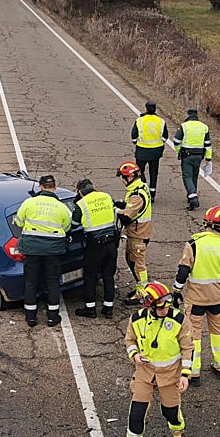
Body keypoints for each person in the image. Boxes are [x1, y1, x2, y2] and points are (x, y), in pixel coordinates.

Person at [118, 282, 194, 437]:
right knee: (136, 415)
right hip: (144, 374)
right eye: (161, 307)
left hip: (170, 376)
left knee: (170, 412)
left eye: (167, 304)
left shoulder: (179, 320)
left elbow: (188, 347)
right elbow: (129, 341)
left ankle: (178, 430)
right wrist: (134, 355)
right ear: (149, 307)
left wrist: (185, 374)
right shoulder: (136, 320)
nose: (165, 309)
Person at [174, 206, 220, 384]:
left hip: (196, 300)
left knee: (194, 336)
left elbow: (183, 270)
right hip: (217, 298)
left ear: (206, 223)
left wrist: (176, 290)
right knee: (218, 333)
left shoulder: (194, 244)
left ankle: (194, 373)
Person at [12, 175, 72, 327]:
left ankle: (31, 317)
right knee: (52, 282)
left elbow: (18, 222)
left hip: (32, 249)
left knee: (31, 282)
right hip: (53, 250)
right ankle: (52, 317)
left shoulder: (29, 202)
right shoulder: (61, 207)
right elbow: (66, 227)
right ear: (55, 187)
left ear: (40, 186)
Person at [72, 178, 119, 319]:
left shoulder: (81, 204)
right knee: (108, 276)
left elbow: (74, 224)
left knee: (90, 277)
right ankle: (108, 308)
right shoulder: (106, 197)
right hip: (111, 244)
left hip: (95, 246)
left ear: (80, 192)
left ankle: (90, 309)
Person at [114, 162, 153, 305]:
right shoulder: (139, 188)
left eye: (122, 178)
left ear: (129, 177)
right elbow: (131, 207)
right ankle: (139, 289)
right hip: (136, 233)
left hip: (139, 235)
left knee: (138, 264)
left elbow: (126, 217)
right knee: (131, 261)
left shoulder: (137, 195)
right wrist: (120, 205)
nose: (122, 181)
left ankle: (142, 293)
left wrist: (115, 210)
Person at [172, 107, 212, 210]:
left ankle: (193, 198)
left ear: (188, 114)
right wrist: (208, 158)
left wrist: (179, 151)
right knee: (194, 175)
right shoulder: (204, 127)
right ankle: (192, 194)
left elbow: (176, 141)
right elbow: (207, 144)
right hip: (199, 156)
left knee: (187, 176)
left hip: (187, 155)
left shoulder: (184, 126)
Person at [131, 100, 168, 199]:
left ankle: (143, 188)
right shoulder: (161, 121)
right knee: (153, 172)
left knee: (139, 171)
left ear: (146, 109)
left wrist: (136, 142)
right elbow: (165, 137)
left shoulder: (140, 120)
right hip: (156, 151)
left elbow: (134, 136)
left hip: (142, 150)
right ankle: (152, 194)